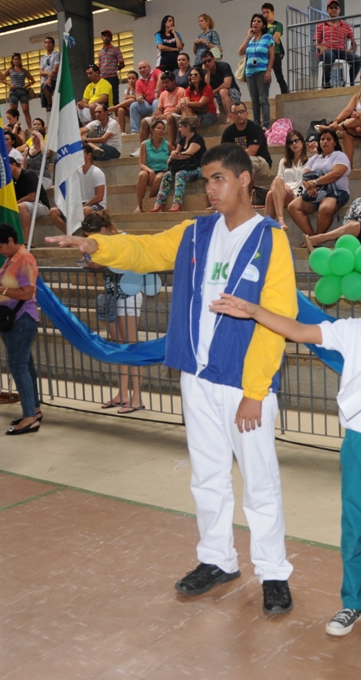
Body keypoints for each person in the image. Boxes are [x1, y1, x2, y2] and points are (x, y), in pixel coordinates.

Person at [46, 142, 298, 615]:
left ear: (245, 180)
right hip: (196, 377)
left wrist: (255, 392)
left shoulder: (271, 239)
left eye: (219, 178)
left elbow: (276, 319)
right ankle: (218, 560)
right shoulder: (195, 232)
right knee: (207, 476)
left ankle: (273, 571)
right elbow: (143, 251)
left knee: (259, 481)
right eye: (207, 180)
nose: (211, 188)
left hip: (243, 382)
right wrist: (97, 245)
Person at [210, 249, 361, 637]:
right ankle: (352, 602)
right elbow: (300, 330)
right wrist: (253, 311)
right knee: (356, 526)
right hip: (358, 445)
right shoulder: (355, 331)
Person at [0, 223, 42, 435]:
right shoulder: (10, 260)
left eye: (0, 246)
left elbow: (26, 293)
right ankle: (34, 410)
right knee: (25, 366)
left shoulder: (25, 259)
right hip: (12, 319)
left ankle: (30, 417)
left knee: (18, 366)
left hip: (22, 318)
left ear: (11, 241)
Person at [79, 211, 145, 414]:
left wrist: (103, 263)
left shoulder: (123, 239)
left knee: (131, 346)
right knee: (118, 346)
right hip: (111, 296)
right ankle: (123, 393)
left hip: (129, 294)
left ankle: (137, 398)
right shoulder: (97, 245)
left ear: (104, 230)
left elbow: (128, 263)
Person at [288, 129, 350, 237]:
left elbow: (336, 174)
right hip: (315, 192)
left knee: (326, 208)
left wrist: (315, 182)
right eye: (322, 139)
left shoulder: (339, 155)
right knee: (293, 206)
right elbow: (305, 176)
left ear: (334, 142)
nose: (325, 141)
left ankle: (318, 237)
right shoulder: (314, 158)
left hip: (335, 192)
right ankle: (312, 238)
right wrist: (309, 186)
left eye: (328, 139)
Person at [320, 71, 361, 169]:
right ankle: (349, 165)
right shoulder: (357, 96)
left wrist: (360, 113)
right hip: (359, 128)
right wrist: (336, 120)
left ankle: (333, 128)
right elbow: (347, 110)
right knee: (347, 132)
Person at [151, 116, 205, 213]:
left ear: (187, 127)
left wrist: (175, 155)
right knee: (167, 175)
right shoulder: (182, 140)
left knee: (180, 174)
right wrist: (174, 155)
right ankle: (159, 203)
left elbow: (187, 154)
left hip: (198, 169)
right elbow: (175, 154)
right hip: (184, 167)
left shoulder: (197, 139)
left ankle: (177, 202)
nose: (179, 129)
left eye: (181, 127)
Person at [49, 146, 105, 232]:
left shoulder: (97, 172)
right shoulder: (77, 172)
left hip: (98, 205)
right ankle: (71, 235)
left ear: (89, 155)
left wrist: (84, 205)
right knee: (53, 212)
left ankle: (85, 237)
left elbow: (99, 197)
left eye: (80, 154)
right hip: (80, 204)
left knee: (85, 211)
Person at [221, 102, 273, 186]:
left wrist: (233, 157)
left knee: (246, 161)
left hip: (260, 163)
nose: (239, 115)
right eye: (235, 113)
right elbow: (224, 154)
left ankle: (244, 191)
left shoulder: (255, 128)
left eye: (241, 111)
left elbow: (252, 152)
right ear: (231, 116)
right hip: (238, 164)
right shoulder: (228, 132)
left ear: (246, 113)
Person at [265, 130, 307, 231]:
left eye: (296, 140)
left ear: (302, 141)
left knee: (270, 194)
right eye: (290, 142)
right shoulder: (283, 162)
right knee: (273, 189)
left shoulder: (310, 161)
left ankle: (267, 227)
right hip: (285, 195)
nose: (294, 144)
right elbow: (276, 182)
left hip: (301, 196)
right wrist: (284, 186)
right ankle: (279, 221)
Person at [315, 0, 360, 89]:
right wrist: (320, 47)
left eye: (336, 7)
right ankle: (326, 82)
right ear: (327, 10)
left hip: (341, 52)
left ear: (339, 10)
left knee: (357, 59)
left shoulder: (346, 26)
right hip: (327, 51)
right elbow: (315, 42)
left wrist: (352, 50)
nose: (334, 9)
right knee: (329, 55)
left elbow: (354, 42)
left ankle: (348, 83)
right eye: (331, 8)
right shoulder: (321, 25)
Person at [241, 13, 276, 130]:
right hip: (250, 73)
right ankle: (256, 124)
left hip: (262, 71)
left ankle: (265, 124)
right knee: (254, 100)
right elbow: (240, 52)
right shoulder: (250, 40)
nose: (255, 23)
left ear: (263, 25)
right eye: (254, 21)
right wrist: (247, 37)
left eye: (258, 21)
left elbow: (272, 56)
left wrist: (268, 71)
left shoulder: (268, 38)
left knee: (263, 99)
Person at [136, 72, 184, 153]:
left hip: (176, 117)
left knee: (170, 117)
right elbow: (159, 109)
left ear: (173, 81)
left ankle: (171, 147)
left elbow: (178, 109)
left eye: (167, 82)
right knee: (145, 121)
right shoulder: (163, 94)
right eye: (163, 82)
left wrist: (165, 115)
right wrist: (156, 116)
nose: (165, 85)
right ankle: (143, 149)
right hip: (165, 117)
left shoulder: (181, 90)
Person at [9, 150, 50, 241]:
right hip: (26, 206)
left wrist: (14, 204)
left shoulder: (28, 174)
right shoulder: (11, 181)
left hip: (40, 204)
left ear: (14, 164)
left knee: (21, 206)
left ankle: (27, 241)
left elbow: (32, 197)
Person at [136, 119, 170, 213]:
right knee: (142, 175)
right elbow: (141, 164)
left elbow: (173, 159)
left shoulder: (167, 145)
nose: (161, 130)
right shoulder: (145, 144)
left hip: (162, 170)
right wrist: (150, 171)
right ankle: (139, 205)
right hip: (149, 169)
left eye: (163, 129)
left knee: (160, 177)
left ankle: (149, 200)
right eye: (158, 128)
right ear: (152, 129)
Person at [201, 52, 241, 124]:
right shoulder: (205, 72)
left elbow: (227, 84)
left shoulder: (224, 66)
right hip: (216, 96)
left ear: (214, 59)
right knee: (204, 97)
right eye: (204, 62)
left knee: (222, 91)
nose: (207, 63)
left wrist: (213, 92)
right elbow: (206, 88)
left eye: (209, 60)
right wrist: (207, 72)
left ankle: (230, 116)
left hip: (232, 92)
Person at [0, 53, 35, 130]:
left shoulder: (24, 70)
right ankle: (15, 128)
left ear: (20, 60)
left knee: (26, 110)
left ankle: (29, 128)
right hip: (13, 92)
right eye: (15, 59)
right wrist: (9, 84)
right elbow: (2, 78)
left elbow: (32, 80)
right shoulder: (10, 70)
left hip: (23, 92)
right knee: (14, 112)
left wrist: (27, 85)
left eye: (18, 59)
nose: (16, 60)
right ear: (12, 60)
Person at [262, 4, 290, 95]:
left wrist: (271, 41)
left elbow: (274, 39)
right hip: (264, 54)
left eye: (267, 12)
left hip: (275, 53)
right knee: (263, 77)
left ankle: (285, 94)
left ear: (273, 12)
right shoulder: (263, 27)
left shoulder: (278, 25)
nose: (265, 15)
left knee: (279, 76)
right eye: (264, 12)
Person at [129, 61, 162, 135]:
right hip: (147, 104)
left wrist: (157, 91)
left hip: (158, 101)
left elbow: (161, 76)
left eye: (144, 67)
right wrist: (139, 98)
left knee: (155, 102)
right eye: (140, 68)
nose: (142, 69)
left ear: (150, 67)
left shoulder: (155, 72)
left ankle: (155, 127)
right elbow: (138, 94)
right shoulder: (138, 81)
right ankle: (135, 130)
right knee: (134, 105)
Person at [97, 29, 125, 107]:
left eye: (108, 36)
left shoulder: (116, 50)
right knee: (104, 97)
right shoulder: (100, 52)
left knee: (114, 97)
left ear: (111, 38)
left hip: (112, 77)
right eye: (104, 36)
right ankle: (106, 113)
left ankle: (116, 114)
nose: (106, 38)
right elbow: (100, 65)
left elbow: (122, 64)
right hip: (102, 78)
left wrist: (114, 69)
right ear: (102, 38)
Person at [38, 36, 60, 113]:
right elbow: (41, 72)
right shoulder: (43, 58)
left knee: (46, 85)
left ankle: (51, 104)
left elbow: (55, 69)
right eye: (46, 42)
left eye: (49, 42)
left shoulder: (56, 54)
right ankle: (48, 104)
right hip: (45, 80)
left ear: (53, 44)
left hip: (54, 79)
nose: (48, 44)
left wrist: (49, 78)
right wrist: (48, 73)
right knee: (44, 102)